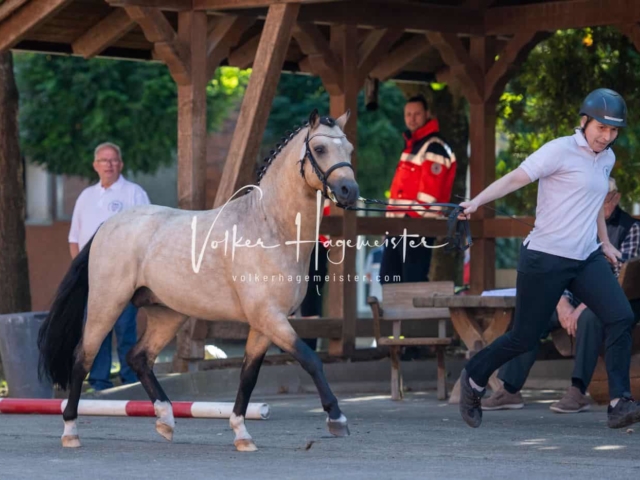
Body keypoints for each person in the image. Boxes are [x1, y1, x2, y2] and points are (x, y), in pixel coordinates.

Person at [458, 88, 640, 430]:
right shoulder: (559, 150)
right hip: (545, 257)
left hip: (585, 258)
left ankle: (619, 402)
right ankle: (474, 378)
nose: (607, 136)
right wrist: (476, 202)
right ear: (585, 121)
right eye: (602, 127)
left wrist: (604, 243)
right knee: (524, 338)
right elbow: (515, 178)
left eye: (614, 130)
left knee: (620, 316)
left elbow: (595, 204)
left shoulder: (607, 159)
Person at [483, 178, 640, 413]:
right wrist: (562, 303)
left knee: (590, 317)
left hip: (607, 303)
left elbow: (622, 278)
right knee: (532, 315)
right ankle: (510, 390)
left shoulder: (632, 229)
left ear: (615, 198)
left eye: (603, 199)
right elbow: (555, 268)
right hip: (570, 297)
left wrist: (583, 306)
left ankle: (577, 391)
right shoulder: (574, 226)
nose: (595, 204)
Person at [68, 142, 150, 391]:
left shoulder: (134, 193)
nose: (109, 165)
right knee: (96, 332)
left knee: (126, 329)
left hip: (124, 277)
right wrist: (79, 274)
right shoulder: (86, 197)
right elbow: (74, 238)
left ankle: (130, 381)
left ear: (121, 164)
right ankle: (99, 382)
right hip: (93, 279)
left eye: (114, 160)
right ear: (95, 165)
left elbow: (148, 233)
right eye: (104, 161)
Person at [379, 95, 456, 285]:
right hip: (399, 226)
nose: (412, 118)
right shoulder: (412, 146)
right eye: (408, 114)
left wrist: (407, 221)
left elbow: (429, 195)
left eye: (417, 114)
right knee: (389, 277)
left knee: (412, 280)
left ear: (428, 114)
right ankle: (396, 316)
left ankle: (410, 316)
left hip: (417, 226)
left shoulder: (434, 147)